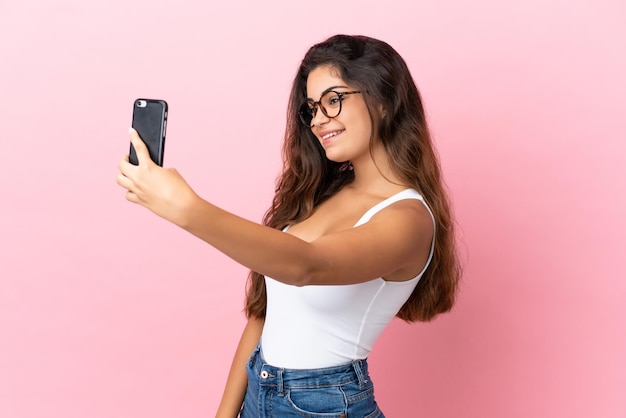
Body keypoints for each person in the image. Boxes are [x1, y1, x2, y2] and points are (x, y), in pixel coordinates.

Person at [117, 34, 461, 417]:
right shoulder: (322, 194)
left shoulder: (409, 220)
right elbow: (265, 316)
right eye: (312, 108)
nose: (318, 120)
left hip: (325, 404)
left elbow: (305, 266)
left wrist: (188, 210)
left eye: (334, 100)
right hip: (258, 393)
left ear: (383, 100)